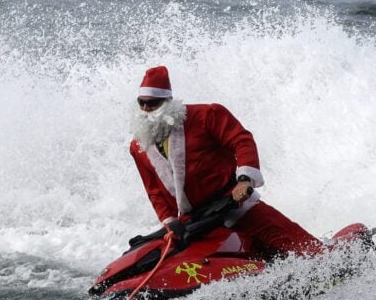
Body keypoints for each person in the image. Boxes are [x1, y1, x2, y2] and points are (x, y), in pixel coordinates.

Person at [129, 65, 325, 258]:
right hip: (195, 222)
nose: (146, 109)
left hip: (234, 204)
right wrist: (169, 222)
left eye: (152, 103)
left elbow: (241, 140)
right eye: (142, 103)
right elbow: (154, 190)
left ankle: (326, 259)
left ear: (168, 102)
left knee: (305, 250)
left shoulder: (207, 115)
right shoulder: (139, 147)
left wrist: (245, 179)